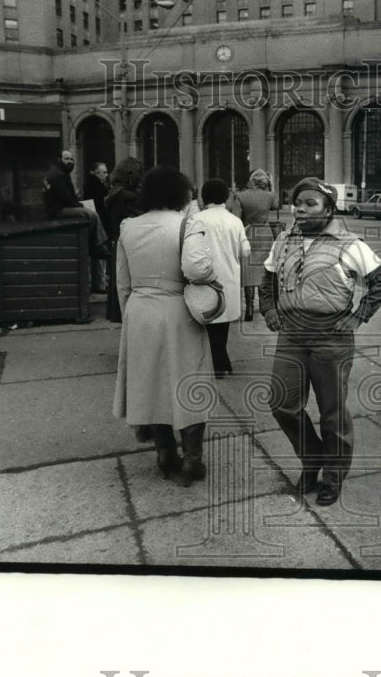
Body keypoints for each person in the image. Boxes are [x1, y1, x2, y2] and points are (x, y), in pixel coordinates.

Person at [260, 177, 381, 506]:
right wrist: (268, 309)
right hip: (291, 333)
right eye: (298, 203)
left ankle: (333, 476)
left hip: (331, 336)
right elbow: (268, 277)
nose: (301, 209)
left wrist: (359, 315)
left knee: (332, 413)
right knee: (282, 404)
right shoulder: (284, 240)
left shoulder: (349, 244)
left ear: (329, 209)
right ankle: (312, 458)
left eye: (310, 203)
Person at [112, 168, 216, 485]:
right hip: (176, 310)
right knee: (188, 383)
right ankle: (192, 461)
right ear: (181, 194)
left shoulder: (128, 227)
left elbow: (122, 282)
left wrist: (130, 313)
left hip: (139, 311)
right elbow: (197, 269)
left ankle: (165, 455)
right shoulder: (187, 224)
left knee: (151, 385)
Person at [192, 178, 250, 377]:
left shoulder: (196, 220)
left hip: (205, 278)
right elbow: (245, 251)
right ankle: (222, 360)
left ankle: (217, 362)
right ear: (226, 197)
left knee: (208, 323)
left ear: (204, 197)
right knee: (223, 323)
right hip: (228, 279)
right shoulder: (235, 221)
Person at [43, 149, 109, 290]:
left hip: (58, 209)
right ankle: (99, 245)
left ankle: (97, 243)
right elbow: (67, 198)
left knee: (88, 214)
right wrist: (79, 205)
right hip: (58, 211)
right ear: (59, 159)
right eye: (67, 159)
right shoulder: (59, 176)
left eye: (72, 159)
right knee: (91, 214)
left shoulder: (58, 174)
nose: (70, 161)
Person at [230, 168, 281, 321]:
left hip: (248, 233)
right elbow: (276, 206)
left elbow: (235, 218)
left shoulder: (240, 196)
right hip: (265, 234)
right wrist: (270, 187)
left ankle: (249, 309)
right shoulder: (270, 196)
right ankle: (264, 306)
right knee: (264, 270)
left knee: (248, 271)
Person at [103, 157, 145, 323]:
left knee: (120, 283)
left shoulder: (115, 192)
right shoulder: (130, 196)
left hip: (118, 239)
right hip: (130, 242)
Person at [83, 161, 111, 294]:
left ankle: (99, 282)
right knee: (100, 251)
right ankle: (100, 283)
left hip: (96, 220)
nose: (107, 174)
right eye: (104, 172)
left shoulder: (91, 184)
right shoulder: (97, 186)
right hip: (100, 221)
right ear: (96, 173)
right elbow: (102, 206)